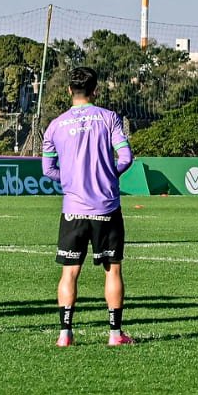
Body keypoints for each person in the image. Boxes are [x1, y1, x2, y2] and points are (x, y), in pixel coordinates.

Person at [42, 67, 135, 347]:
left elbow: (48, 169)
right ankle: (115, 334)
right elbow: (126, 157)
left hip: (73, 208)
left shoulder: (56, 125)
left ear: (69, 90)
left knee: (69, 272)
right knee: (113, 269)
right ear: (95, 91)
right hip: (105, 206)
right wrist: (109, 174)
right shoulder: (109, 118)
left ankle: (64, 334)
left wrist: (70, 179)